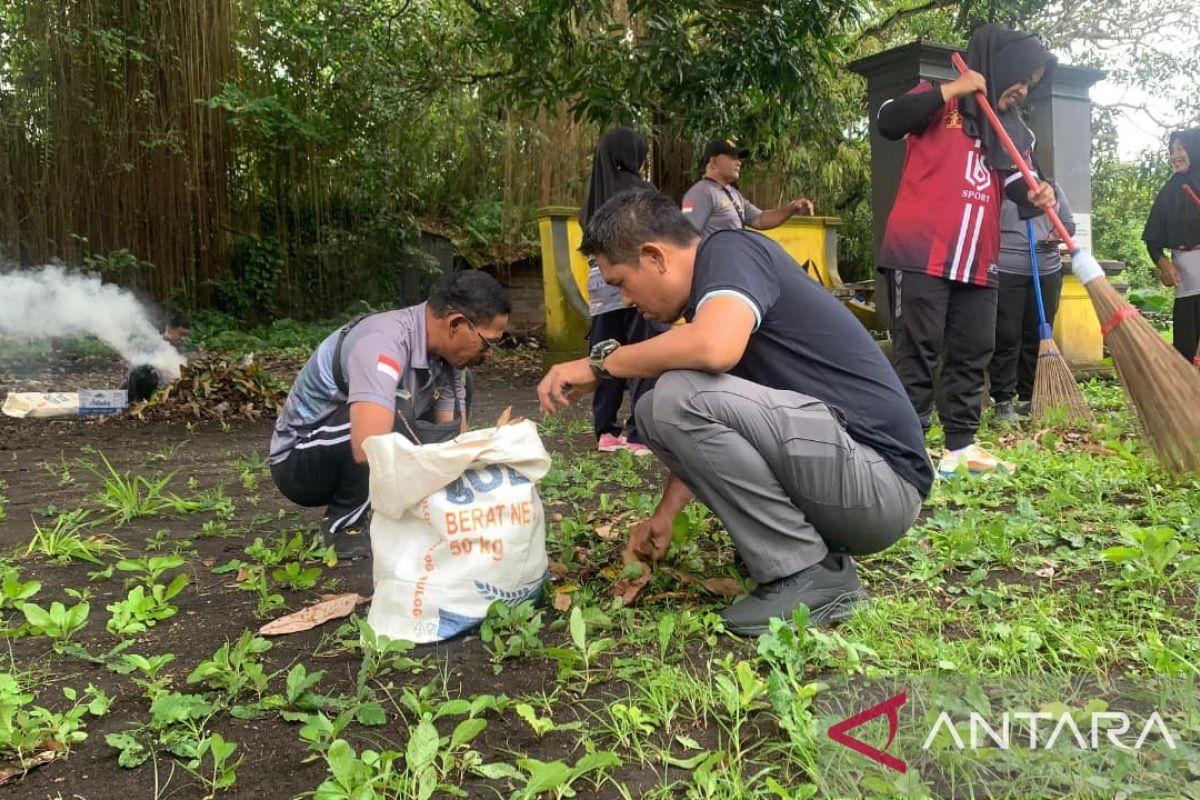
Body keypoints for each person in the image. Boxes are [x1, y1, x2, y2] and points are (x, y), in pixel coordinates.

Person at [537, 188, 932, 636]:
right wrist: (665, 514)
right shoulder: (719, 301)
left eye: (621, 283)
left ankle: (809, 575)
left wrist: (599, 365)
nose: (626, 300)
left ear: (655, 257)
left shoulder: (729, 250)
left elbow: (713, 347)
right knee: (658, 405)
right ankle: (804, 559)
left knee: (669, 396)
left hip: (880, 481)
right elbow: (718, 420)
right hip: (853, 486)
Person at [875, 23, 1058, 476]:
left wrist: (1037, 193)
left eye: (1031, 85)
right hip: (922, 250)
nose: (1022, 89)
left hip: (979, 257)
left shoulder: (1016, 131)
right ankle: (908, 445)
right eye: (1021, 78)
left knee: (974, 348)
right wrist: (951, 88)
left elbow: (1016, 181)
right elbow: (889, 121)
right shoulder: (939, 98)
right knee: (917, 347)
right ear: (1003, 66)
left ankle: (961, 445)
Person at [269, 270, 509, 557]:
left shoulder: (448, 362)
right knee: (383, 425)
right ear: (456, 324)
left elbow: (453, 439)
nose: (489, 353)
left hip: (351, 442)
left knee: (412, 414)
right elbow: (368, 445)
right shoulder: (382, 343)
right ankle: (345, 526)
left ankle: (409, 511)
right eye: (487, 342)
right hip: (301, 460)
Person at [580, 127, 665, 455]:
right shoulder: (642, 192)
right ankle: (638, 433)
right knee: (642, 356)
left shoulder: (593, 197)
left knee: (605, 354)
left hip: (600, 289)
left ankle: (605, 432)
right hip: (636, 283)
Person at [988, 184, 1075, 421]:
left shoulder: (1051, 187)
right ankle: (1003, 399)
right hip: (1007, 269)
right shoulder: (1000, 185)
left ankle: (1028, 397)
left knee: (1037, 334)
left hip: (1046, 270)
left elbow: (1068, 223)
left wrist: (1057, 233)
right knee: (1006, 334)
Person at [1142, 127, 1200, 365]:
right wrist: (1164, 264)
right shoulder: (1169, 191)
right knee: (1185, 350)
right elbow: (1153, 240)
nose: (1175, 155)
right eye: (1172, 150)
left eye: (1181, 148)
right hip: (1186, 280)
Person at [681, 139, 814, 237]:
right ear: (714, 162)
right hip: (713, 271)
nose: (739, 162)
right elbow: (685, 237)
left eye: (738, 158)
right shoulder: (700, 192)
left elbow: (760, 219)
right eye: (732, 157)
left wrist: (791, 209)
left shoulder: (734, 194)